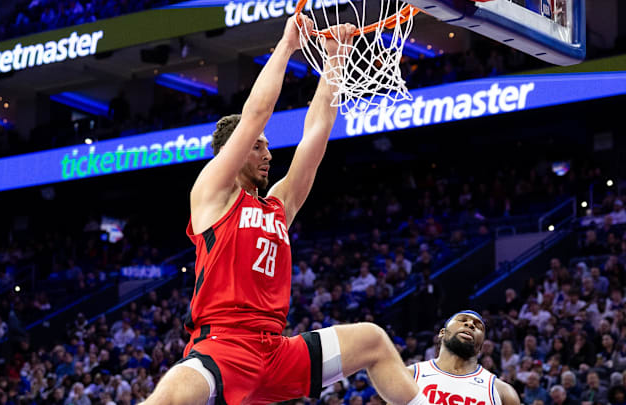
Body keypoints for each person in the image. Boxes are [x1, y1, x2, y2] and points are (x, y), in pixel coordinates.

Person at [142, 14, 427, 405]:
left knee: (373, 341)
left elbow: (315, 134)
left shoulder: (278, 205)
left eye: (266, 145)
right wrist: (287, 44)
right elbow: (256, 113)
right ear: (233, 152)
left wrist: (335, 61)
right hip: (224, 345)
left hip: (276, 351)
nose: (268, 153)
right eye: (257, 146)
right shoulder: (213, 193)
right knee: (173, 393)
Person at [407, 311, 519, 405]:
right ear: (442, 333)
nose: (470, 324)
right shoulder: (410, 375)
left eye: (478, 326)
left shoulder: (504, 393)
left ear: (481, 346)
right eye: (462, 320)